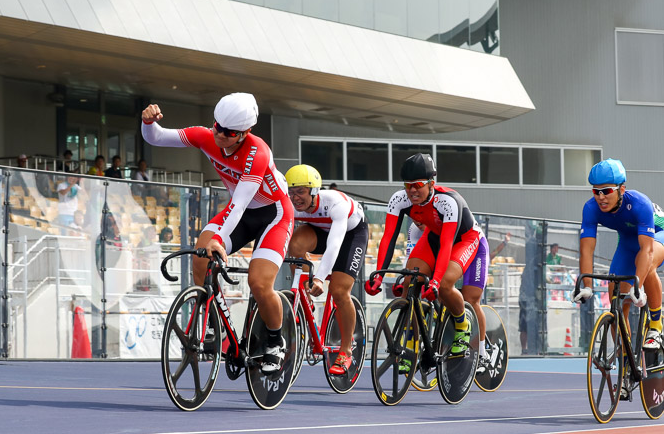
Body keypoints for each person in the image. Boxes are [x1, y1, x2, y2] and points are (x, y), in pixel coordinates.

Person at [142, 92, 294, 374]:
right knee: (200, 260)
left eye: (229, 132)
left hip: (273, 213)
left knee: (259, 283)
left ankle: (276, 341)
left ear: (245, 133)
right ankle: (217, 325)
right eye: (217, 127)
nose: (220, 135)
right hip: (243, 211)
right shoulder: (207, 135)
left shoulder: (257, 152)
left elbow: (239, 203)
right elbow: (157, 137)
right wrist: (148, 123)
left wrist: (218, 239)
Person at [365, 153, 489, 362]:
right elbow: (389, 238)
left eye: (418, 185)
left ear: (432, 183)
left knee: (454, 290)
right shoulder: (399, 200)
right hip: (434, 238)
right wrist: (379, 274)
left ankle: (463, 326)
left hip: (466, 240)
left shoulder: (448, 201)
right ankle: (411, 342)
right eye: (408, 185)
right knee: (409, 283)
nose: (412, 191)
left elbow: (448, 244)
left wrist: (436, 281)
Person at [574, 159, 664, 355]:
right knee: (615, 295)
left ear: (621, 189)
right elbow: (586, 250)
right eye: (596, 191)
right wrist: (587, 285)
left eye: (606, 191)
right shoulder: (591, 209)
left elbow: (647, 251)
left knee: (646, 267)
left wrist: (637, 287)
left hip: (657, 236)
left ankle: (656, 325)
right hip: (627, 241)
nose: (601, 197)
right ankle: (626, 362)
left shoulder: (640, 204)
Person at [285, 164, 367, 375]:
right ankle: (305, 299)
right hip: (319, 230)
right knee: (295, 245)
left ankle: (346, 350)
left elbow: (335, 245)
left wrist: (320, 278)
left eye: (300, 191)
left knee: (339, 291)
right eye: (291, 192)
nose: (295, 198)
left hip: (350, 235)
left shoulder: (335, 203)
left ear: (314, 191)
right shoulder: (290, 205)